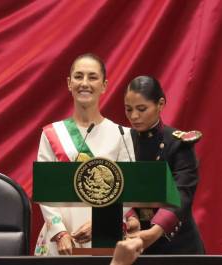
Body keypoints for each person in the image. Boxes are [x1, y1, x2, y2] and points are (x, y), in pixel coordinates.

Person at [34, 53, 134, 256]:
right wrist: (60, 232)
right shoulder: (51, 133)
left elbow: (130, 190)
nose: (85, 83)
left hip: (104, 238)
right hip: (59, 242)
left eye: (92, 77)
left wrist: (100, 223)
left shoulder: (122, 134)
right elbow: (44, 190)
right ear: (69, 84)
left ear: (104, 85)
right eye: (78, 77)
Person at [123, 75, 205, 254]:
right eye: (128, 109)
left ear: (160, 104)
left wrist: (156, 230)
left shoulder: (178, 143)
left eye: (142, 109)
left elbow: (182, 192)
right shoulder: (122, 140)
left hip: (177, 244)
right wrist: (130, 218)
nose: (134, 116)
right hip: (134, 241)